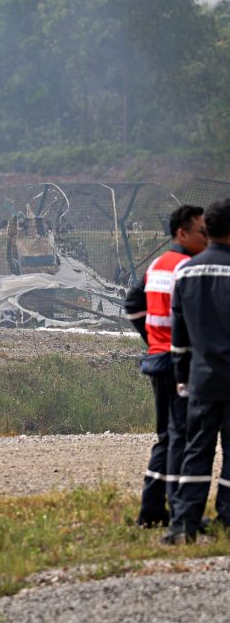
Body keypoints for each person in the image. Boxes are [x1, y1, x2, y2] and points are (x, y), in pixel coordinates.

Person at [124, 205, 207, 528]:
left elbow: (133, 303)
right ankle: (177, 511)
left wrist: (152, 339)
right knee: (180, 438)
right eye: (202, 232)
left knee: (166, 437)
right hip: (178, 362)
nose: (207, 238)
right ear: (181, 233)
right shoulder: (187, 267)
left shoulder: (159, 264)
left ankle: (152, 509)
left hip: (158, 359)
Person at [163, 199, 230, 544]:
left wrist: (183, 380)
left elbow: (180, 338)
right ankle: (227, 519)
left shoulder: (186, 272)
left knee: (196, 450)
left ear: (208, 231)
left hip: (202, 379)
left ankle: (183, 525)